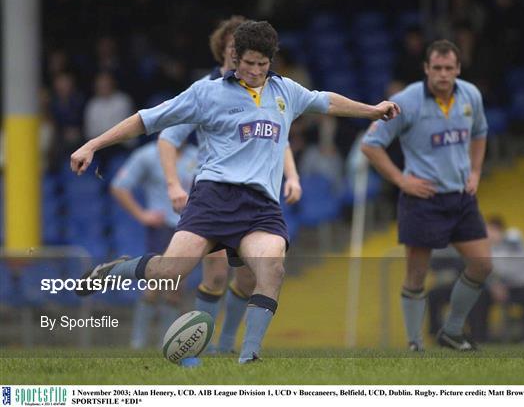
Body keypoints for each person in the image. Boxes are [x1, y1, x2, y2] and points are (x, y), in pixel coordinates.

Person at [71, 20, 399, 363]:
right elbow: (146, 120)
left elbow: (325, 102)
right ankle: (112, 271)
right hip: (213, 198)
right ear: (235, 57)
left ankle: (249, 357)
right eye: (249, 63)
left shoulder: (285, 91)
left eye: (263, 63)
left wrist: (372, 109)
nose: (256, 71)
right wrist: (93, 144)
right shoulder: (207, 92)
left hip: (260, 207)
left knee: (271, 268)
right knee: (169, 272)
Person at [158, 15, 302, 354]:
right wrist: (172, 185)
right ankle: (207, 347)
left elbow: (277, 137)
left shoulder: (267, 89)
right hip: (216, 190)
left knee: (252, 277)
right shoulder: (207, 90)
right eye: (231, 51)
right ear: (227, 53)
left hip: (256, 194)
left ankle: (228, 344)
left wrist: (292, 175)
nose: (236, 58)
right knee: (217, 275)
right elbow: (168, 136)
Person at [361, 39, 492, 351]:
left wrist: (475, 172)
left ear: (458, 69)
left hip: (460, 197)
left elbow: (480, 133)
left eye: (449, 68)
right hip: (423, 198)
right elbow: (370, 144)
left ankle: (453, 330)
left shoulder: (470, 94)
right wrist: (401, 181)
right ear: (426, 69)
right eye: (437, 68)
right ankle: (414, 343)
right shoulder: (406, 101)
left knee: (483, 265)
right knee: (416, 274)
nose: (443, 74)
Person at [110, 140, 199, 349]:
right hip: (161, 228)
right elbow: (119, 186)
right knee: (155, 284)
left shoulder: (198, 155)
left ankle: (165, 343)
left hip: (188, 228)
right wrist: (141, 215)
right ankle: (138, 342)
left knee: (176, 288)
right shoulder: (148, 155)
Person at [485, 216, 524, 343]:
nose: (486, 234)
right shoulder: (490, 250)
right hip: (507, 288)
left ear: (498, 229)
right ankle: (480, 338)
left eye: (489, 230)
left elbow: (513, 242)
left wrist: (499, 238)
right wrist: (495, 285)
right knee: (480, 296)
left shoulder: (513, 234)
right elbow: (490, 273)